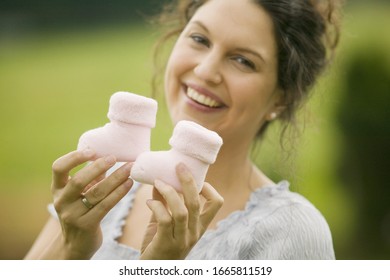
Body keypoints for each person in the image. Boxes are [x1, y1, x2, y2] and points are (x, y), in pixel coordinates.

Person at [25, 0, 342, 260]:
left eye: (243, 61)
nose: (205, 71)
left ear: (281, 98)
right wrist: (72, 247)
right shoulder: (105, 187)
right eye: (200, 39)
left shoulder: (292, 232)